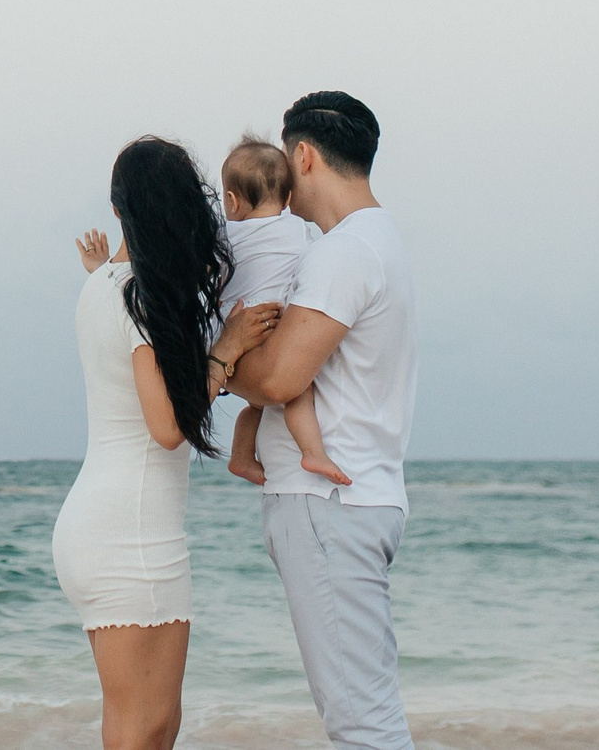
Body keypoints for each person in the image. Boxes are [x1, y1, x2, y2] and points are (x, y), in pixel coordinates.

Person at [57, 137, 282, 750]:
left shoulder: (102, 287)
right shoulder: (138, 298)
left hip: (100, 527)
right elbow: (166, 428)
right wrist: (226, 350)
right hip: (130, 537)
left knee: (147, 729)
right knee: (146, 731)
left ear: (118, 208)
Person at [227, 93, 419, 750]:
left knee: (362, 724)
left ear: (304, 156)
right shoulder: (379, 241)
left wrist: (217, 360)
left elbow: (279, 378)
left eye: (286, 162)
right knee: (363, 713)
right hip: (357, 495)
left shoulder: (345, 252)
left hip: (329, 502)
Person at [214, 138, 348, 489]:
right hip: (271, 325)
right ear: (288, 198)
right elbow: (317, 265)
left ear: (231, 200)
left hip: (231, 328)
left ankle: (241, 456)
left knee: (254, 405)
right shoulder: (299, 230)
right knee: (299, 390)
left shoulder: (221, 236)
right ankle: (313, 452)